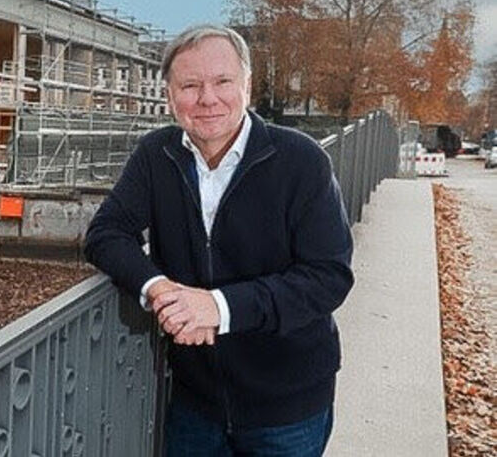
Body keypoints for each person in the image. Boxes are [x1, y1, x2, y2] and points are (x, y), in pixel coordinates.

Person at [83, 24, 353, 456]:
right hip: (196, 400)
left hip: (287, 403)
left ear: (246, 85)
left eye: (222, 81)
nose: (207, 98)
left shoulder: (302, 161)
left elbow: (328, 278)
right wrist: (159, 290)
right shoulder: (157, 155)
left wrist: (219, 307)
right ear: (170, 97)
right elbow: (105, 233)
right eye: (190, 85)